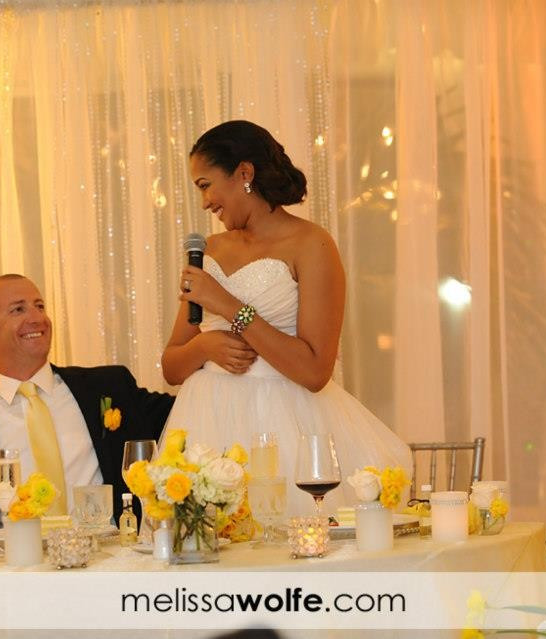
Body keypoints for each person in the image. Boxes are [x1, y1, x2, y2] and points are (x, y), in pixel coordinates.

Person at [162, 120, 411, 516]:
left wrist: (229, 307)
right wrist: (204, 346)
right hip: (207, 428)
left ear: (244, 173)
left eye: (206, 185)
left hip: (285, 429)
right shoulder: (208, 249)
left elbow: (315, 371)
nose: (205, 202)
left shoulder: (312, 244)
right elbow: (171, 367)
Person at [0, 274, 174, 533]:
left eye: (39, 306)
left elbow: (184, 413)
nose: (37, 318)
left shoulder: (110, 386)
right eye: (18, 309)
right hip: (13, 555)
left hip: (109, 552)